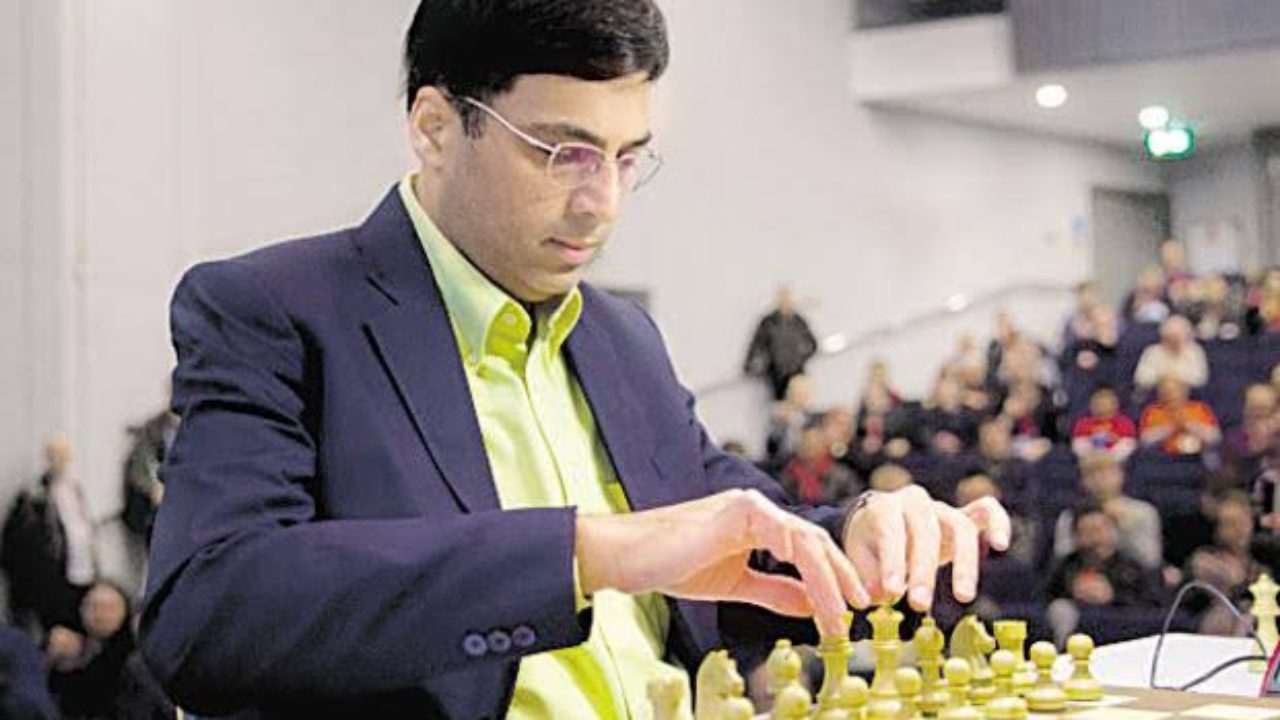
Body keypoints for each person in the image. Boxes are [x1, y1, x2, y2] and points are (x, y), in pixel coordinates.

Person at [139, 3, 1010, 718]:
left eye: (628, 159)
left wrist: (859, 536)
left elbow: (715, 534)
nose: (601, 204)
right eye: (564, 153)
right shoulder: (278, 310)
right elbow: (208, 615)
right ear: (436, 126)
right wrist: (583, 554)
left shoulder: (620, 337)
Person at [2, 435, 97, 634]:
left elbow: (83, 527)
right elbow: (19, 540)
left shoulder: (74, 487)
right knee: (58, 627)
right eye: (54, 456)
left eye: (63, 456)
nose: (59, 461)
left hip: (82, 569)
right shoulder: (35, 495)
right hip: (55, 577)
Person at [1052, 453, 1162, 571]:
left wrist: (1123, 526)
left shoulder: (1143, 511)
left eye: (1108, 473)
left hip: (1131, 577)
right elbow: (1062, 556)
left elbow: (1150, 559)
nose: (1100, 479)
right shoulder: (1070, 515)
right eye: (1092, 474)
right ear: (1083, 481)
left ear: (1121, 476)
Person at [744, 286, 819, 400]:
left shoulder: (797, 320)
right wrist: (750, 365)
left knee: (800, 397)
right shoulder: (768, 322)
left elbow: (812, 342)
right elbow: (757, 344)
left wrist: (802, 358)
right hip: (777, 371)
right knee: (782, 403)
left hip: (796, 368)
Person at [1139, 376, 1222, 456]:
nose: (1171, 396)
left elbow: (1214, 437)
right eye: (1167, 392)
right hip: (1163, 460)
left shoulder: (1200, 408)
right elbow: (1145, 440)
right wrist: (1171, 428)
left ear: (1185, 393)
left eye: (1176, 391)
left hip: (1197, 458)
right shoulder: (1153, 411)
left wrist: (1188, 425)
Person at [1133, 315, 1209, 391]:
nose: (1173, 341)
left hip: (1188, 395)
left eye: (1177, 337)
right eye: (1170, 337)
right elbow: (1141, 378)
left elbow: (1199, 378)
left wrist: (1175, 380)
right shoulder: (1152, 352)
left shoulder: (1194, 351)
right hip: (1156, 394)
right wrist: (1164, 379)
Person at [1070, 385, 1137, 461]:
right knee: (1080, 443)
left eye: (1104, 404)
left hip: (1116, 458)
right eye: (1097, 405)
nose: (1101, 408)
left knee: (1127, 444)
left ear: (1115, 406)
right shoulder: (1083, 423)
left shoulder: (1125, 422)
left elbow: (1129, 443)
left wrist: (1116, 439)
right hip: (1090, 458)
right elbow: (1078, 444)